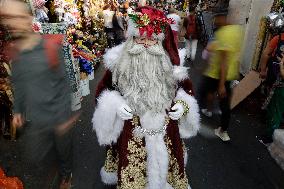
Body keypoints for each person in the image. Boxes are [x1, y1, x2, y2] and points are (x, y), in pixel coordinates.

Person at [92, 6, 200, 189]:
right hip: (132, 132)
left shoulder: (171, 64)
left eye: (150, 39)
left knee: (166, 171)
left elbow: (186, 90)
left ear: (158, 40)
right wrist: (114, 105)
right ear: (132, 37)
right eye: (140, 38)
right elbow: (102, 92)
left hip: (166, 129)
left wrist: (183, 105)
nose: (144, 43)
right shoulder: (118, 63)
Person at [0, 0, 79, 188]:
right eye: (8, 18)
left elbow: (64, 83)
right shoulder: (15, 52)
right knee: (37, 156)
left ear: (29, 18)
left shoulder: (49, 47)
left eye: (18, 17)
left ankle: (66, 175)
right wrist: (18, 111)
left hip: (58, 116)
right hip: (36, 119)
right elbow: (18, 84)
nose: (14, 22)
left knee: (63, 151)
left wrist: (64, 117)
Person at [199, 11, 244, 142]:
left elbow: (223, 61)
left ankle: (222, 130)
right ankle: (211, 113)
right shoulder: (237, 30)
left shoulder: (223, 34)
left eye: (216, 18)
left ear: (222, 17)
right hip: (228, 74)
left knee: (214, 96)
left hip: (217, 73)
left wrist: (221, 85)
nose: (215, 21)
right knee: (219, 99)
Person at [258, 33, 284, 145]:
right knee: (276, 106)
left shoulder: (278, 38)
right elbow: (266, 53)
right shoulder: (278, 38)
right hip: (276, 79)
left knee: (275, 108)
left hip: (279, 82)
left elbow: (266, 53)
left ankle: (269, 137)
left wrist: (263, 70)